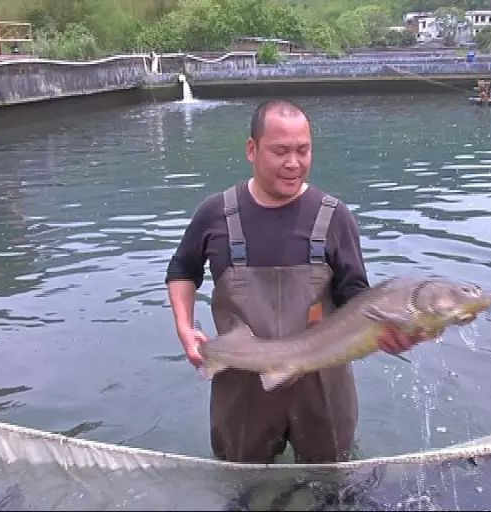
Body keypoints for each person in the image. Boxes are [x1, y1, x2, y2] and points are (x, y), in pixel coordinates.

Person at [165, 98, 433, 464]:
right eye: (280, 151)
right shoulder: (215, 214)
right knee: (244, 492)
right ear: (252, 150)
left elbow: (356, 296)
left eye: (303, 151)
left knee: (332, 491)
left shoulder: (335, 216)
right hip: (243, 382)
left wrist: (388, 333)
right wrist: (184, 326)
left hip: (322, 386)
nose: (294, 164)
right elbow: (182, 270)